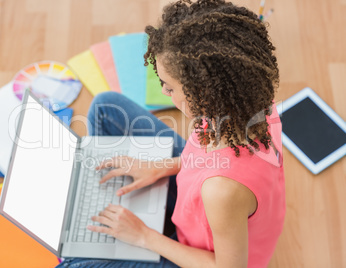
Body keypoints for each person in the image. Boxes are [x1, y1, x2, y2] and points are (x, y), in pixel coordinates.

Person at [57, 0, 285, 267]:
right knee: (106, 107)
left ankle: (98, 234)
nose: (165, 93)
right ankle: (98, 212)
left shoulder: (222, 191)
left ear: (203, 93)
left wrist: (145, 237)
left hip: (199, 251)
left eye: (169, 87)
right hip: (197, 202)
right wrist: (160, 167)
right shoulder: (247, 106)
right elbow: (207, 159)